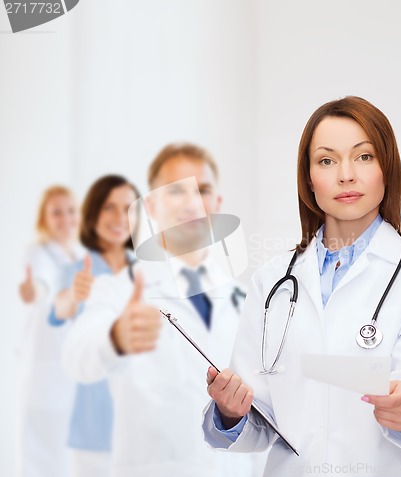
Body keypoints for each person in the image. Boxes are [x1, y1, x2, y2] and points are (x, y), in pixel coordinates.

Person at [203, 96, 401, 477]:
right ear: (309, 178)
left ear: (386, 168)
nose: (346, 175)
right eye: (326, 160)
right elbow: (260, 420)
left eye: (364, 157)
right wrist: (230, 411)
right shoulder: (272, 281)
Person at [62, 143, 260, 477]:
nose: (192, 202)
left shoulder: (244, 297)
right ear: (151, 205)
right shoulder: (119, 288)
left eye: (204, 190)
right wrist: (114, 339)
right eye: (177, 191)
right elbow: (75, 358)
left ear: (217, 204)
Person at [49, 175, 140, 477]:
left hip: (142, 422)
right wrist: (73, 296)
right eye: (108, 208)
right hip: (94, 428)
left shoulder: (147, 271)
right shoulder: (78, 271)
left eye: (127, 209)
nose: (118, 218)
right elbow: (58, 310)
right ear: (92, 214)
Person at [16, 185, 84, 477]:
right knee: (39, 456)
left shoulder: (80, 255)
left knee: (65, 457)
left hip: (71, 370)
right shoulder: (38, 252)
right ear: (44, 218)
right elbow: (40, 286)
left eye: (70, 211)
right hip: (44, 371)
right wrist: (32, 291)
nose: (65, 219)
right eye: (56, 212)